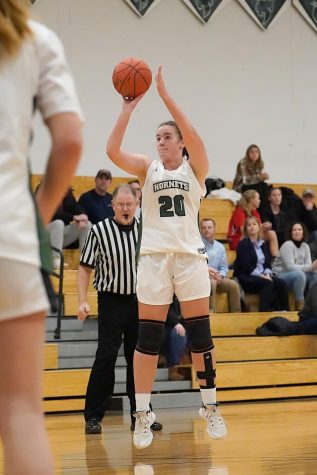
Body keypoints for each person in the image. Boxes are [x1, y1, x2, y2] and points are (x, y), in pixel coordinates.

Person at [106, 66, 227, 450]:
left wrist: (167, 98)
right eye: (157, 137)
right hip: (155, 259)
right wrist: (128, 109)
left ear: (180, 143)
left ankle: (210, 406)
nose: (160, 142)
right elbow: (111, 151)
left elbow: (195, 135)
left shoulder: (196, 169)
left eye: (166, 137)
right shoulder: (147, 168)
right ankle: (142, 413)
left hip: (190, 259)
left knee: (201, 337)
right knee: (148, 340)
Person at [0, 1, 83, 474]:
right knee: (21, 415)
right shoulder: (36, 39)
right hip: (8, 234)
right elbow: (70, 140)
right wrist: (36, 217)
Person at [77, 184, 162, 435]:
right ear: (112, 205)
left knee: (140, 360)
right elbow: (84, 268)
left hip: (140, 301)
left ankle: (142, 414)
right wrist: (82, 300)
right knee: (106, 357)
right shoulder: (99, 231)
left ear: (137, 205)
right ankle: (93, 416)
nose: (126, 208)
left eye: (130, 204)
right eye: (121, 204)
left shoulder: (147, 232)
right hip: (111, 301)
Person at [233, 217, 289, 312]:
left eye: (254, 224)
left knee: (281, 283)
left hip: (261, 276)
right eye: (249, 225)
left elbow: (267, 263)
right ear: (246, 229)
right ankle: (263, 312)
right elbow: (246, 266)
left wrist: (267, 273)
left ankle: (285, 311)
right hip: (246, 277)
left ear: (259, 227)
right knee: (268, 283)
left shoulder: (262, 244)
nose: (252, 227)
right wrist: (261, 276)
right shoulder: (243, 244)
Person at [272, 222, 317, 311]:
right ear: (291, 233)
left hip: (299, 274)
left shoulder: (305, 246)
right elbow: (291, 267)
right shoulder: (287, 245)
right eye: (294, 230)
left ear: (303, 232)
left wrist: (313, 268)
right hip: (280, 275)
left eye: (299, 230)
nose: (297, 232)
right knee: (300, 274)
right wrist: (311, 267)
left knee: (315, 276)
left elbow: (308, 266)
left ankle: (311, 302)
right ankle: (300, 304)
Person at [200, 218, 241, 313]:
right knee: (212, 283)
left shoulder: (220, 247)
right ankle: (211, 313)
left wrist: (220, 275)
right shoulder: (197, 245)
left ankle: (236, 313)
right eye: (204, 227)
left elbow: (224, 267)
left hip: (218, 278)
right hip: (202, 279)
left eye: (209, 227)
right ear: (201, 230)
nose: (206, 229)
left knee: (233, 285)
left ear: (214, 229)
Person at [48, 187, 91, 268]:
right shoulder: (44, 189)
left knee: (87, 224)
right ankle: (55, 259)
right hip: (44, 236)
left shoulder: (68, 193)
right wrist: (74, 217)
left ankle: (86, 261)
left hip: (58, 237)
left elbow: (76, 207)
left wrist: (83, 216)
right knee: (58, 223)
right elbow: (53, 214)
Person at [227, 189, 278, 257]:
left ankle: (276, 259)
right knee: (251, 236)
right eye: (258, 198)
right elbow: (244, 232)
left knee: (271, 234)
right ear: (252, 200)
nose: (259, 201)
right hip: (238, 240)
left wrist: (264, 227)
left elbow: (258, 228)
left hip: (252, 236)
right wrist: (261, 227)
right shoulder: (239, 211)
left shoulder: (255, 211)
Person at [160, 295, 188, 381]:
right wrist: (175, 323)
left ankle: (191, 369)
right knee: (178, 334)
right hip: (164, 323)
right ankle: (173, 369)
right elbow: (163, 308)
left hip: (180, 322)